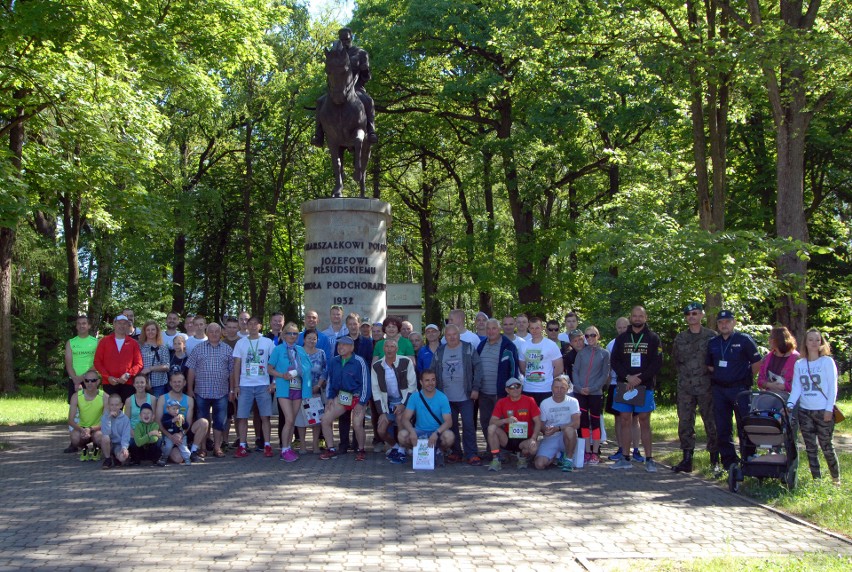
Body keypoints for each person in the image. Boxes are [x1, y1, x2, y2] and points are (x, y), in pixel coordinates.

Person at [706, 310, 762, 472]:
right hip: (719, 390)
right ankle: (729, 461)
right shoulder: (713, 342)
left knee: (744, 424)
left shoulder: (744, 340)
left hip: (740, 389)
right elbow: (709, 365)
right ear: (717, 325)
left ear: (734, 322)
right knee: (723, 427)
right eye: (720, 322)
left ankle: (748, 457)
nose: (724, 325)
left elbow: (757, 362)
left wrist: (743, 376)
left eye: (727, 321)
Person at [610, 306, 663, 472]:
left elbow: (657, 362)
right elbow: (614, 361)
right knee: (625, 419)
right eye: (635, 316)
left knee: (644, 421)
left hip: (644, 385)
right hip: (625, 385)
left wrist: (640, 378)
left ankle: (649, 459)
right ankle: (625, 458)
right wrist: (628, 377)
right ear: (631, 318)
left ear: (646, 318)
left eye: (641, 316)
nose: (637, 319)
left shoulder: (653, 338)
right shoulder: (622, 338)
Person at [671, 302, 719, 474]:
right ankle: (687, 458)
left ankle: (715, 459)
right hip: (685, 387)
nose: (691, 316)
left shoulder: (712, 337)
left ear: (701, 315)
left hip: (706, 386)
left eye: (695, 313)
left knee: (711, 422)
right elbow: (676, 360)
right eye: (688, 314)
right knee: (685, 422)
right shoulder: (680, 338)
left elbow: (715, 361)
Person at [789, 329, 841, 484]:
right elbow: (796, 387)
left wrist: (829, 409)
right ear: (805, 342)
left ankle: (835, 478)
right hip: (805, 410)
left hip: (823, 409)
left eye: (817, 340)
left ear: (821, 343)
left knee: (826, 446)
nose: (814, 343)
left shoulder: (826, 362)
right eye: (810, 340)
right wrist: (789, 405)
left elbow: (833, 386)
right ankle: (816, 480)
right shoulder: (800, 364)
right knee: (810, 447)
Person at [312, 27, 378, 146]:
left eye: (347, 39)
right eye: (342, 40)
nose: (344, 42)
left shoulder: (361, 53)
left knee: (368, 101)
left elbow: (366, 77)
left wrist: (365, 70)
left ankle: (371, 130)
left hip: (356, 88)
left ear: (351, 38)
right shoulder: (335, 54)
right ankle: (318, 134)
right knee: (320, 101)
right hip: (337, 89)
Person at [432, 324, 483, 465]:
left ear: (459, 335)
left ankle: (471, 454)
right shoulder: (440, 351)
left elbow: (478, 368)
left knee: (468, 425)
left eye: (454, 334)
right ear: (445, 337)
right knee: (451, 425)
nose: (452, 337)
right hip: (446, 397)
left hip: (466, 396)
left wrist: (475, 388)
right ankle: (456, 453)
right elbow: (433, 370)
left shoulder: (468, 348)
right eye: (449, 335)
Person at [186, 322, 234, 458]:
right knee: (203, 420)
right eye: (211, 331)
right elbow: (191, 370)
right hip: (201, 391)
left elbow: (232, 372)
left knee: (220, 421)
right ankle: (202, 448)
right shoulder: (198, 348)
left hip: (222, 392)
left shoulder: (227, 349)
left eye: (217, 331)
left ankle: (217, 447)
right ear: (207, 333)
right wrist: (190, 389)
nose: (214, 334)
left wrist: (232, 390)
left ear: (221, 333)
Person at [232, 316, 276, 458]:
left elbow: (274, 362)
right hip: (245, 385)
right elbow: (237, 365)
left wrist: (273, 381)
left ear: (260, 326)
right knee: (243, 417)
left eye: (255, 324)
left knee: (265, 417)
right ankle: (243, 446)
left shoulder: (267, 342)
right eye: (249, 324)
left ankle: (267, 445)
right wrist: (236, 385)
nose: (251, 326)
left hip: (263, 385)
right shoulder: (241, 343)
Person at [269, 322, 313, 462]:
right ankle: (284, 449)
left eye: (295, 333)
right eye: (289, 333)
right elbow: (269, 368)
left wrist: (298, 372)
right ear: (284, 334)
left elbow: (308, 367)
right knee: (288, 419)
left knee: (292, 420)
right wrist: (282, 375)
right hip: (283, 388)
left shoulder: (300, 350)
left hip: (298, 389)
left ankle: (288, 448)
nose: (292, 336)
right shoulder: (278, 349)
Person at [320, 336, 370, 460]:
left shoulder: (360, 361)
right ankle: (330, 448)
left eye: (344, 345)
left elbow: (366, 384)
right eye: (339, 345)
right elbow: (331, 381)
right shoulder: (334, 361)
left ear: (352, 348)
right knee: (325, 420)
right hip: (342, 397)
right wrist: (330, 397)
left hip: (358, 397)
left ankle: (361, 449)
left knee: (357, 424)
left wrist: (362, 402)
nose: (340, 347)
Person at [476, 318, 521, 451]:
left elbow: (514, 369)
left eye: (494, 328)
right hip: (484, 392)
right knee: (485, 422)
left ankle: (504, 452)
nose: (491, 331)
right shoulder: (481, 345)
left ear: (499, 329)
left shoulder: (508, 346)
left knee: (501, 424)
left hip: (501, 393)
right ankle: (492, 450)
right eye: (488, 328)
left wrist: (512, 390)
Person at [371, 338, 417, 463]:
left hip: (406, 401)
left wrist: (403, 404)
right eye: (387, 347)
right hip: (387, 403)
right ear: (383, 349)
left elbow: (412, 386)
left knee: (399, 418)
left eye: (392, 347)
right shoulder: (376, 366)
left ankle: (402, 450)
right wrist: (382, 412)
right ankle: (395, 446)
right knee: (381, 429)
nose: (389, 349)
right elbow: (376, 391)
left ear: (397, 349)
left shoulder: (406, 362)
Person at [605, 317, 645, 462]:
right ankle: (621, 448)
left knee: (635, 419)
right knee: (619, 418)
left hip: (634, 384)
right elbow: (609, 367)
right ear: (616, 328)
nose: (622, 330)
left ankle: (636, 450)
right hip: (616, 384)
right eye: (619, 327)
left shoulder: (637, 341)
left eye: (624, 327)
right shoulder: (611, 344)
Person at [397, 369, 454, 464]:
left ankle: (439, 450)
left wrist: (437, 433)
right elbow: (405, 418)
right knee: (402, 435)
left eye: (433, 380)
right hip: (419, 431)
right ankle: (416, 450)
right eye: (427, 380)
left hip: (436, 431)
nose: (430, 383)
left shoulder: (442, 397)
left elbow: (449, 422)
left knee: (449, 436)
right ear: (421, 382)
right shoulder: (415, 397)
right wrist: (412, 432)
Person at [571, 326, 610, 464]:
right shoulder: (581, 353)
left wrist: (593, 388)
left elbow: (604, 375)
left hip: (595, 393)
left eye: (593, 335)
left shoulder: (604, 353)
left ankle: (595, 452)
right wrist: (578, 387)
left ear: (598, 336)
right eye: (587, 336)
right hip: (580, 392)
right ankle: (586, 451)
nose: (590, 338)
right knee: (584, 422)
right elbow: (575, 371)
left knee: (595, 422)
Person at [487, 378, 541, 471]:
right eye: (512, 387)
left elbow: (538, 421)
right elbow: (492, 422)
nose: (515, 389)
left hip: (525, 438)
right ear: (507, 390)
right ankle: (496, 459)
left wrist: (533, 438)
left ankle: (523, 457)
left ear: (521, 388)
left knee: (533, 449)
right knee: (491, 428)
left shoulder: (530, 400)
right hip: (507, 439)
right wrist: (505, 420)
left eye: (518, 386)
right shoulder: (502, 402)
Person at [155, 373, 208, 463]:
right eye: (174, 382)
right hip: (168, 435)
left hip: (183, 433)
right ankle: (173, 451)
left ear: (184, 383)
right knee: (178, 459)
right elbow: (158, 421)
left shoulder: (189, 400)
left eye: (179, 382)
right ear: (170, 383)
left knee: (204, 422)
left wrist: (180, 435)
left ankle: (193, 451)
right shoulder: (162, 398)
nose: (177, 384)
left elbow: (188, 422)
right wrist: (171, 436)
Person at [534, 376, 581, 471]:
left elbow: (576, 423)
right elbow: (542, 424)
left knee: (569, 430)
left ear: (567, 389)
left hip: (566, 435)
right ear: (551, 388)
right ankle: (556, 456)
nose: (559, 390)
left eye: (562, 387)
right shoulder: (545, 403)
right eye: (556, 387)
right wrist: (545, 430)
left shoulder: (573, 402)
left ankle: (568, 459)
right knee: (539, 465)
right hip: (551, 436)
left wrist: (558, 428)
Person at [93, 314, 143, 402]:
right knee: (110, 409)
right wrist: (107, 377)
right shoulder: (104, 341)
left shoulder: (133, 343)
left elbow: (139, 363)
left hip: (127, 382)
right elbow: (97, 362)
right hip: (109, 382)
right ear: (114, 324)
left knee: (128, 409)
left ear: (128, 326)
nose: (122, 326)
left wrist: (128, 375)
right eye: (119, 323)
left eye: (124, 323)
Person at [297, 329, 328, 454]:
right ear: (304, 339)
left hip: (316, 390)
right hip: (300, 390)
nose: (311, 341)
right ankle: (303, 445)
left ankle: (315, 444)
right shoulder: (297, 352)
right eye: (309, 338)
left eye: (314, 338)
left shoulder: (321, 353)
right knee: (300, 419)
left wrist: (319, 385)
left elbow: (325, 370)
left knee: (316, 419)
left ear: (317, 340)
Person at [522, 317, 563, 405]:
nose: (534, 330)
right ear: (528, 329)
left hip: (546, 389)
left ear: (542, 328)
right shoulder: (524, 345)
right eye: (532, 328)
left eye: (537, 328)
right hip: (528, 388)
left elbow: (559, 368)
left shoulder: (551, 345)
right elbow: (522, 367)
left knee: (545, 417)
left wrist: (548, 378)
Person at [67, 370, 106, 458]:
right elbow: (70, 420)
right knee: (74, 437)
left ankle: (97, 448)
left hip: (98, 429)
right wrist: (82, 430)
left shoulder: (105, 397)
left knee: (100, 437)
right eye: (87, 380)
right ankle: (84, 449)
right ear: (84, 381)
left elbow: (106, 421)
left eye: (93, 380)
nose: (90, 383)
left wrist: (91, 429)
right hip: (82, 428)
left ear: (98, 381)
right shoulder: (76, 396)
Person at [758, 326, 800, 398]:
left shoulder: (796, 359)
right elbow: (760, 380)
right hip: (770, 397)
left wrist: (784, 386)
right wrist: (769, 385)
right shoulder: (767, 358)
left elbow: (801, 382)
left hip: (790, 399)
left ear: (780, 340)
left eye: (771, 337)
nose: (769, 340)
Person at [64, 315, 98, 403]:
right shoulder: (70, 342)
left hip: (91, 380)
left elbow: (97, 363)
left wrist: (82, 378)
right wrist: (75, 379)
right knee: (75, 407)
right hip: (74, 379)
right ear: (76, 326)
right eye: (78, 324)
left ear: (89, 326)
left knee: (92, 405)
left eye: (84, 323)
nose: (81, 326)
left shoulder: (96, 342)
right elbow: (68, 363)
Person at [99, 393, 131, 469]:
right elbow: (106, 433)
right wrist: (108, 419)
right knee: (105, 437)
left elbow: (126, 435)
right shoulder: (105, 417)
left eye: (116, 405)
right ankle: (108, 458)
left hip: (119, 444)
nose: (114, 407)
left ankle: (116, 456)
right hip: (109, 443)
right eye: (112, 405)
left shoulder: (125, 419)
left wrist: (124, 447)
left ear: (121, 405)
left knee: (123, 457)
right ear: (108, 405)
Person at [139, 320, 171, 397]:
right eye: (148, 330)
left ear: (157, 331)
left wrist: (151, 368)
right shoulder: (140, 347)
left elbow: (167, 366)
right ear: (145, 332)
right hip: (142, 383)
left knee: (157, 407)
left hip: (159, 384)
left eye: (153, 329)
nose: (150, 332)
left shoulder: (163, 347)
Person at [157, 398, 192, 466]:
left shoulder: (180, 416)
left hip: (180, 437)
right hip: (169, 436)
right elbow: (164, 424)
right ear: (168, 409)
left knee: (184, 448)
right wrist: (172, 420)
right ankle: (164, 458)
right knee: (168, 447)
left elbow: (186, 427)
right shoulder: (166, 416)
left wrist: (184, 422)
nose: (175, 411)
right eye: (173, 409)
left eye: (177, 409)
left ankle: (187, 459)